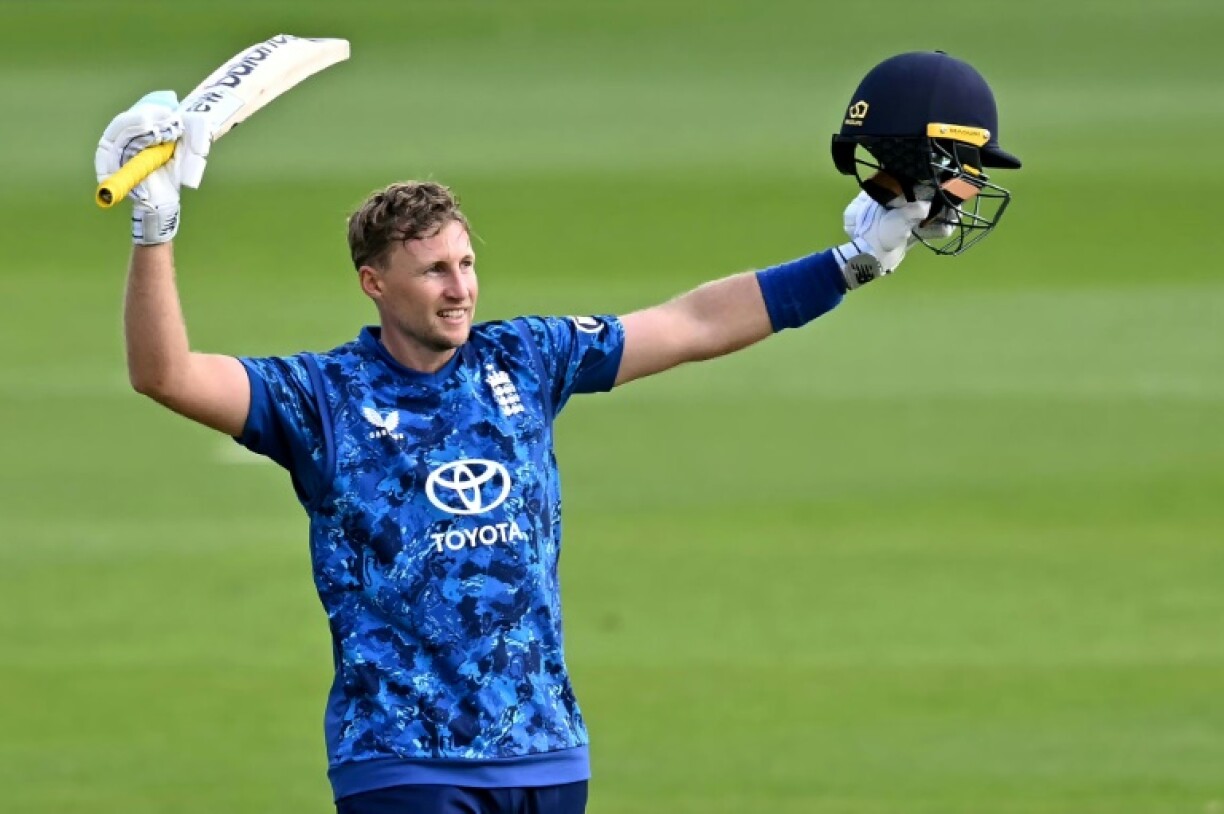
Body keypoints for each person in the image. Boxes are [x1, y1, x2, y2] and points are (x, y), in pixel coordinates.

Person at [95, 50, 1018, 814]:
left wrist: (848, 263)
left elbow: (691, 324)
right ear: (375, 284)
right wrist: (156, 225)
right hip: (403, 761)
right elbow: (165, 375)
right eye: (431, 273)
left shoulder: (525, 359)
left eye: (464, 264)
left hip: (545, 752)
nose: (459, 288)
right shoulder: (320, 396)